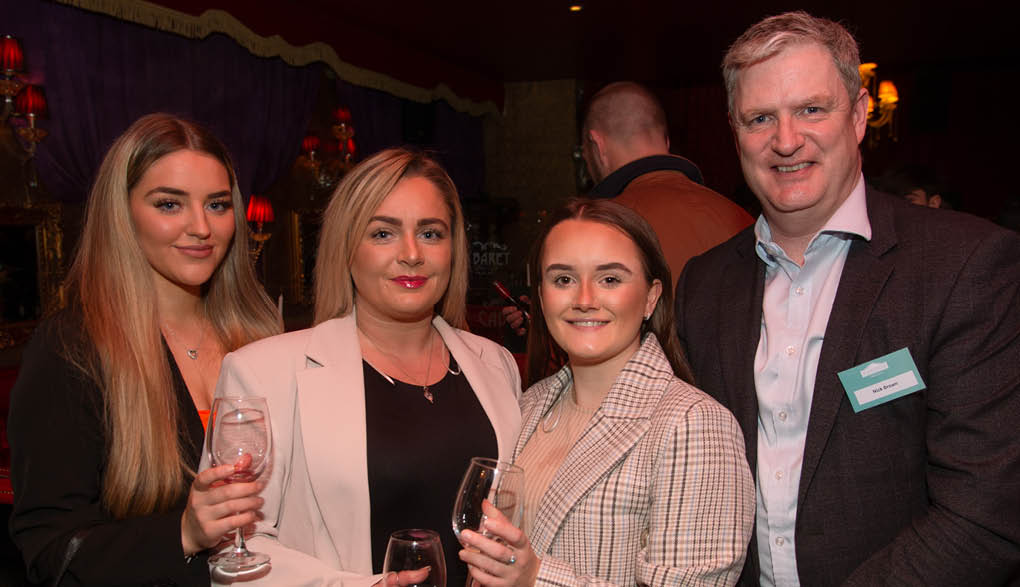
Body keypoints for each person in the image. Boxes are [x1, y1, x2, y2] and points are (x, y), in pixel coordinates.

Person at [674, 11, 1020, 586]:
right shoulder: (704, 285)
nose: (786, 140)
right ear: (735, 131)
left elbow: (985, 513)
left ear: (859, 115)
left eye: (812, 109)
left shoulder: (966, 266)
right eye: (761, 118)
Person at [204, 148, 522, 586]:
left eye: (430, 233)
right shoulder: (264, 372)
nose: (411, 254)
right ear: (346, 248)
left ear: (454, 249)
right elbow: (237, 549)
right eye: (383, 234)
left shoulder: (496, 364)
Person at [8, 113, 283, 585]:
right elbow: (49, 547)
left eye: (217, 205)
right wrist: (183, 533)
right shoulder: (73, 349)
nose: (202, 227)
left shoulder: (266, 337)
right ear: (123, 214)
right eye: (170, 204)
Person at [459, 198, 754, 586]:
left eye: (610, 279)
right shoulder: (530, 405)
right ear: (542, 296)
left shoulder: (694, 426)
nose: (584, 300)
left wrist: (536, 577)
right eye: (563, 279)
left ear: (651, 297)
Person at [504, 82, 752, 335]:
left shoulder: (599, 227)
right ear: (665, 141)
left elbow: (586, 340)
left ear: (596, 145)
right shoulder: (743, 219)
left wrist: (546, 327)